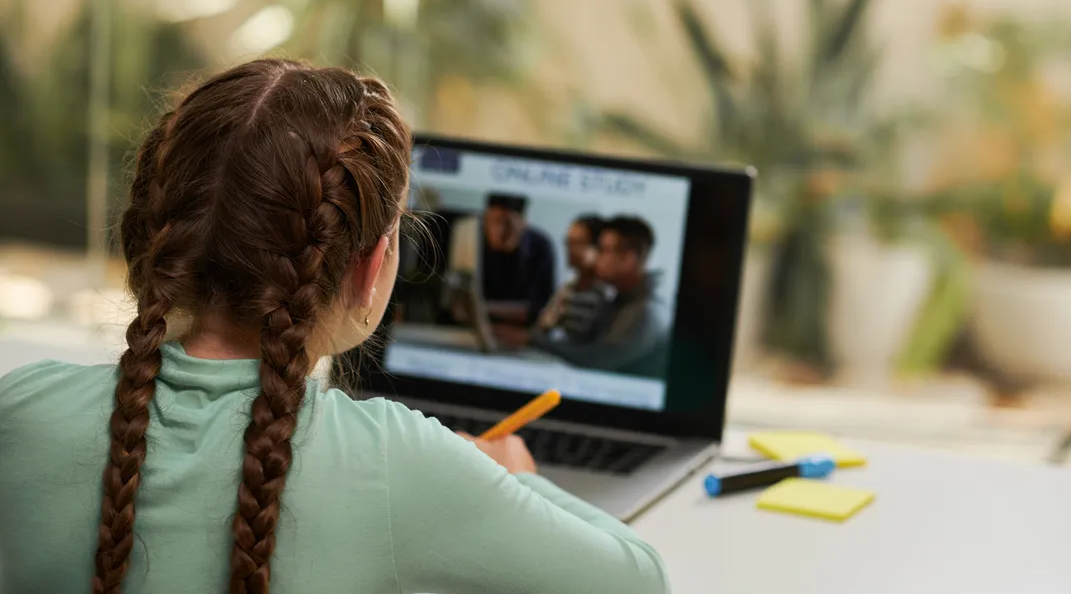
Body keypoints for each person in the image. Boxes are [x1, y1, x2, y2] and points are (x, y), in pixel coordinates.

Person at [0, 60, 668, 594]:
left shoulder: (22, 410)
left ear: (156, 227)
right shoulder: (398, 461)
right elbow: (640, 578)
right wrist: (512, 477)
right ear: (372, 264)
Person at [536, 216, 669, 377]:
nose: (595, 257)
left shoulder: (646, 310)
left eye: (602, 250)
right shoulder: (619, 300)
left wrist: (531, 341)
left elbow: (598, 360)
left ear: (627, 259)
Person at [480, 193, 556, 334]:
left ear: (523, 223)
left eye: (508, 223)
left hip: (520, 332)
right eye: (495, 221)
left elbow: (543, 306)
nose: (500, 231)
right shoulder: (474, 240)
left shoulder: (540, 246)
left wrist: (483, 308)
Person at [538, 214, 608, 343]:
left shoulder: (605, 294)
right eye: (568, 242)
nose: (570, 249)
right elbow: (543, 326)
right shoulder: (567, 288)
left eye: (578, 243)